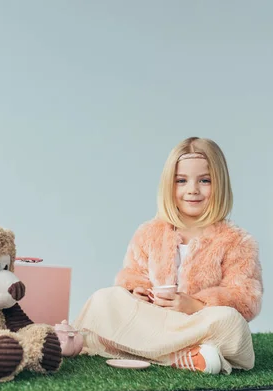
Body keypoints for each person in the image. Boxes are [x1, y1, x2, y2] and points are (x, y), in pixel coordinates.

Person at [73, 137, 263, 375]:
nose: (192, 189)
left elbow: (244, 298)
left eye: (205, 180)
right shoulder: (149, 232)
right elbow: (132, 274)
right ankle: (183, 357)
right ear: (168, 185)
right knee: (104, 299)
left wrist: (195, 305)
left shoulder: (237, 241)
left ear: (220, 184)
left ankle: (131, 348)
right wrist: (137, 291)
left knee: (231, 323)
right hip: (153, 320)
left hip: (194, 326)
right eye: (181, 181)